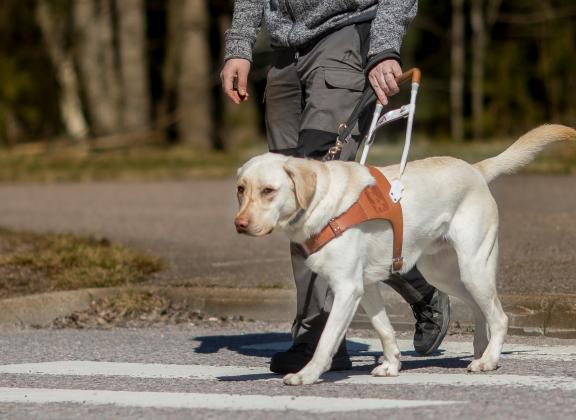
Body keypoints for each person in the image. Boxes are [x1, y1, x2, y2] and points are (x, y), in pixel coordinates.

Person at [221, 0, 450, 374]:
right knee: (288, 203)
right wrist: (240, 45)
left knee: (320, 201)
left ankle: (316, 336)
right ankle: (420, 293)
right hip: (283, 53)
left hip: (342, 38)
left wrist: (384, 47)